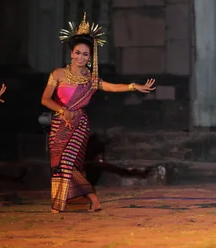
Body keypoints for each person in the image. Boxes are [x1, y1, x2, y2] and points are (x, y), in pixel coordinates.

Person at [41, 13, 156, 213]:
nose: (80, 57)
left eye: (85, 54)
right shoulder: (57, 74)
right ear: (71, 53)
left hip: (79, 125)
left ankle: (59, 204)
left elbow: (112, 87)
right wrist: (62, 110)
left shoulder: (91, 80)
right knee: (59, 165)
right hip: (59, 124)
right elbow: (45, 99)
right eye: (77, 53)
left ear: (90, 57)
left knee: (67, 162)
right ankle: (93, 199)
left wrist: (132, 86)